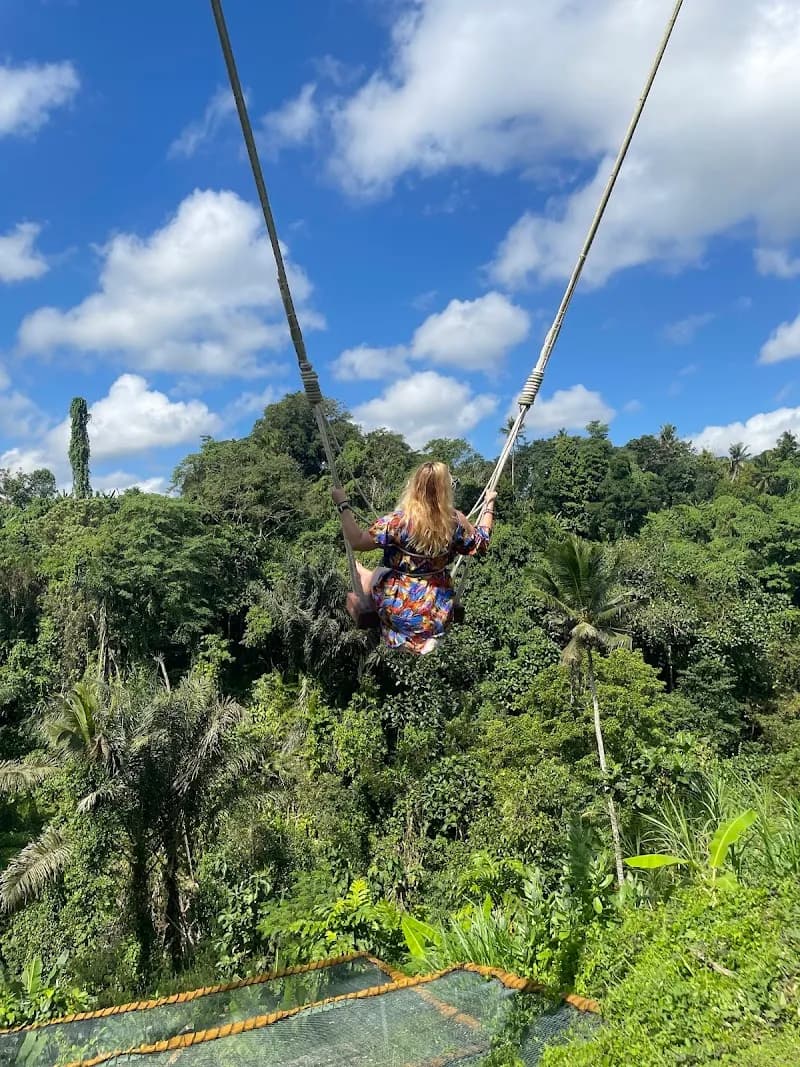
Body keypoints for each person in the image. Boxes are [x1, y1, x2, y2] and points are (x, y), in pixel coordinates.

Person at [331, 461, 497, 654]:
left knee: (378, 574)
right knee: (385, 575)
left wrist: (343, 505)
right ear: (445, 489)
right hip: (438, 611)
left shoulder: (399, 521)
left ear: (415, 486)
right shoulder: (454, 522)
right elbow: (481, 543)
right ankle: (426, 637)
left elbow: (357, 541)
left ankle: (362, 573)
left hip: (399, 609)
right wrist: (489, 503)